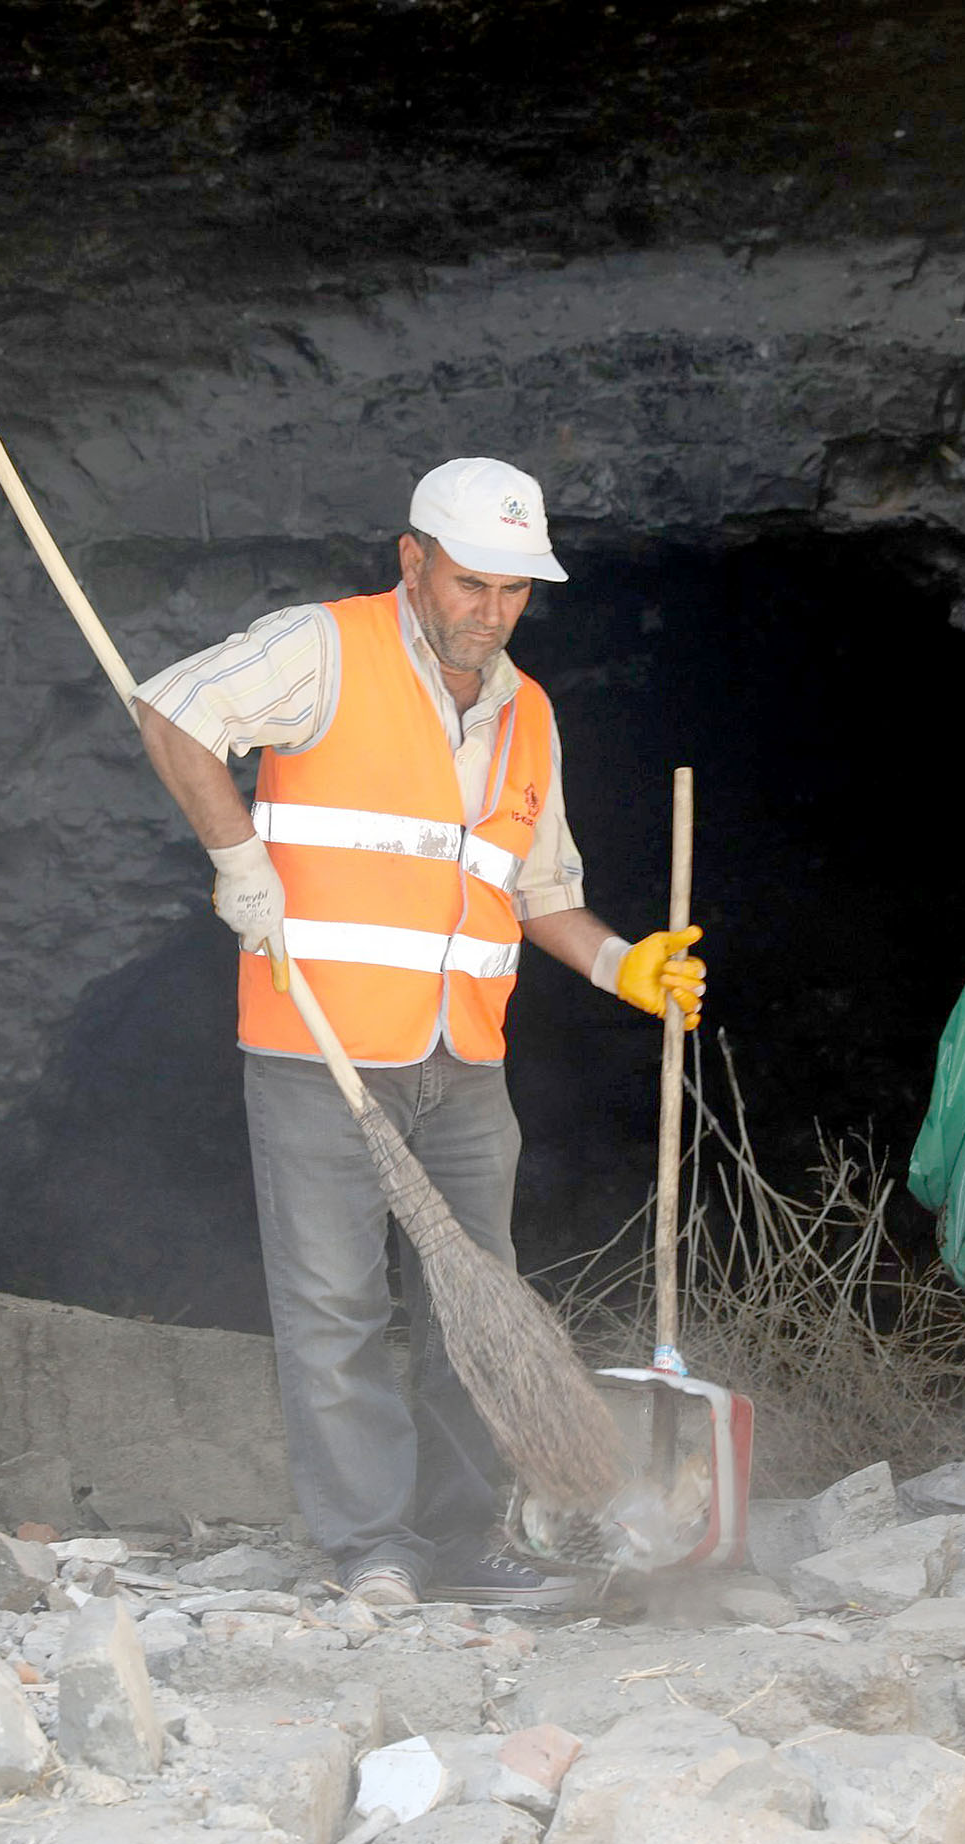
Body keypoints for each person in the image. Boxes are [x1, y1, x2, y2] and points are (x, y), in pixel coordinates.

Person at [132, 456, 709, 1607]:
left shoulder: (527, 711)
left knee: (470, 1315)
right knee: (334, 1309)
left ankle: (461, 1537)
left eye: (512, 589)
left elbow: (536, 890)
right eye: (468, 582)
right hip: (319, 1050)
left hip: (463, 1062)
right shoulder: (324, 648)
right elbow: (170, 710)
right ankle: (372, 1545)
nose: (488, 610)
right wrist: (238, 858)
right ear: (413, 560)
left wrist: (620, 964)